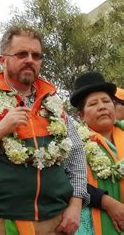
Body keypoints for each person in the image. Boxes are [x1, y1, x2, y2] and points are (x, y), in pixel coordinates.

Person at [0, 26, 88, 234]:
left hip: (55, 222)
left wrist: (75, 206)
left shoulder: (54, 103)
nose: (30, 60)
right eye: (22, 54)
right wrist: (0, 129)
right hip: (0, 223)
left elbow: (75, 155)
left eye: (36, 55)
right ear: (2, 60)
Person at [70, 72, 124, 235]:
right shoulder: (73, 142)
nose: (102, 106)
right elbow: (68, 180)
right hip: (93, 221)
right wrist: (108, 203)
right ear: (80, 115)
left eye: (107, 101)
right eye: (93, 104)